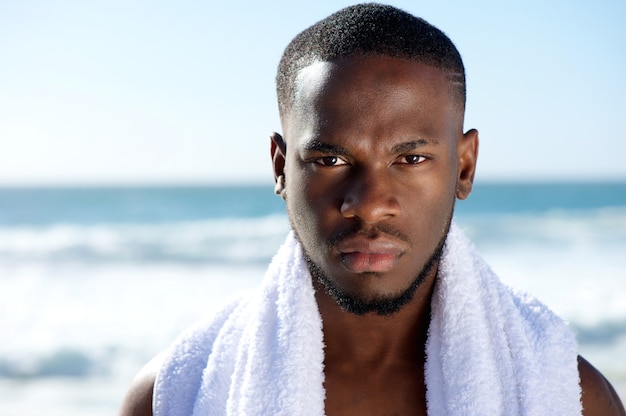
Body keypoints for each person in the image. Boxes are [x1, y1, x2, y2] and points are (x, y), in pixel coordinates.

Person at [120, 4, 625, 415]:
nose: (369, 205)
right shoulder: (172, 399)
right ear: (280, 167)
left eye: (411, 158)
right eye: (330, 159)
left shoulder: (572, 399)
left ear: (464, 167)